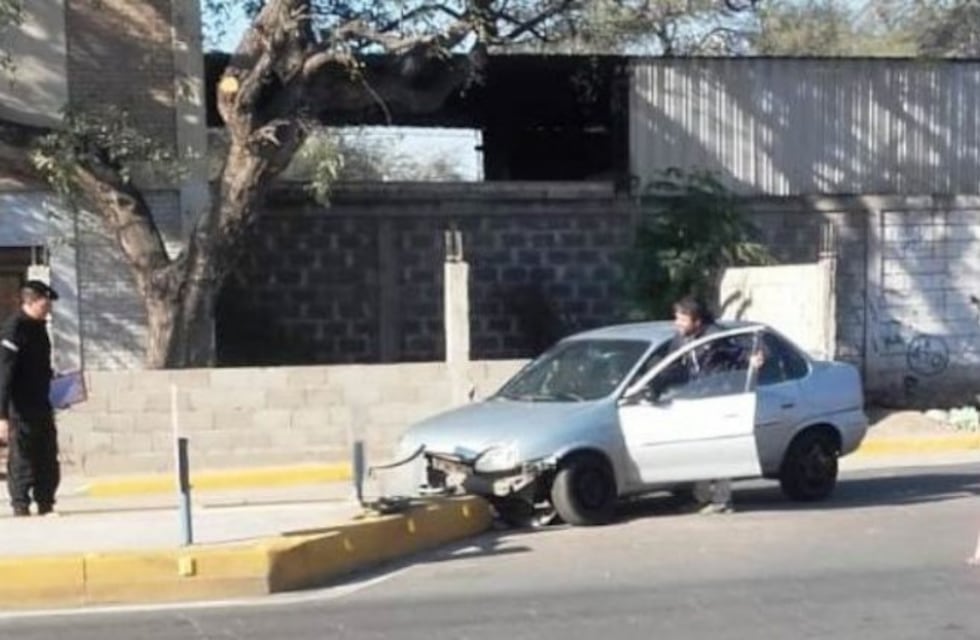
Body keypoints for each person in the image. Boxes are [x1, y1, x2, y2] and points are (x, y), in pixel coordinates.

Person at [668, 295, 763, 515]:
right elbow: (671, 366)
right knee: (699, 452)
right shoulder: (680, 340)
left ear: (697, 321)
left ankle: (722, 500)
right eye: (677, 318)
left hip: (717, 400)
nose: (678, 324)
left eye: (682, 319)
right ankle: (701, 498)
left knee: (719, 449)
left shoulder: (716, 337)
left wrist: (753, 359)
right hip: (693, 400)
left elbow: (740, 355)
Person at [0, 280, 60, 517]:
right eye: (46, 302)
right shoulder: (14, 329)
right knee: (23, 457)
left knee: (46, 454)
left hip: (41, 402)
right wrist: (2, 415)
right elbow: (4, 374)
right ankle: (21, 505)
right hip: (20, 406)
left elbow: (38, 367)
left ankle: (46, 502)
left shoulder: (39, 327)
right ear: (32, 301)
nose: (49, 307)